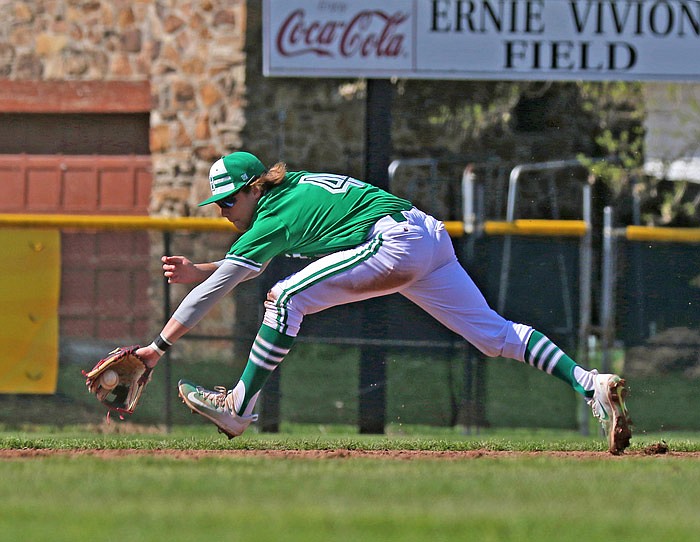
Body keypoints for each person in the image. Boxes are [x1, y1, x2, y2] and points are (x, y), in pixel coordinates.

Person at [135, 151, 632, 454]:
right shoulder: (290, 190)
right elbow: (230, 272)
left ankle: (239, 408)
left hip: (395, 243)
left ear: (252, 190)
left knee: (285, 298)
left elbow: (220, 288)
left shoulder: (269, 216)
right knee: (495, 337)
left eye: (227, 202)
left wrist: (156, 348)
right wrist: (202, 270)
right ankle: (592, 383)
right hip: (426, 236)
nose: (223, 213)